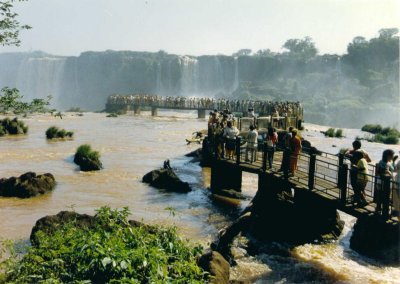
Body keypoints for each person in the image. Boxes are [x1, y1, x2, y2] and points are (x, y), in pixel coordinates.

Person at [375, 149, 397, 216]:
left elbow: (393, 169)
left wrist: (393, 162)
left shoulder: (388, 163)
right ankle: (382, 210)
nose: (392, 157)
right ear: (388, 156)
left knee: (382, 196)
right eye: (391, 156)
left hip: (384, 182)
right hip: (382, 182)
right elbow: (381, 172)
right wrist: (390, 173)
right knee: (383, 196)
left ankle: (380, 209)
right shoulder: (382, 163)